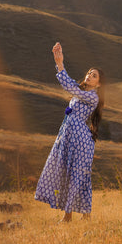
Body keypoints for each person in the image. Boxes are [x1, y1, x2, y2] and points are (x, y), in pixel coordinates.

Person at [34, 42, 105, 222]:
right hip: (68, 135)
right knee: (66, 174)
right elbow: (72, 86)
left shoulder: (93, 97)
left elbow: (69, 87)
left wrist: (60, 64)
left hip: (80, 140)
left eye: (94, 75)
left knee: (77, 175)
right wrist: (59, 62)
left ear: (99, 84)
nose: (89, 75)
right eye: (89, 73)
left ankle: (75, 216)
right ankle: (73, 216)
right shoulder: (81, 91)